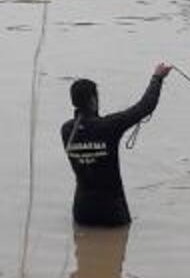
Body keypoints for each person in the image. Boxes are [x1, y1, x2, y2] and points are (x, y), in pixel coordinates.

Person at [62, 63, 170, 226]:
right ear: (93, 100)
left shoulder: (66, 130)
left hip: (82, 212)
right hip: (112, 212)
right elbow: (144, 106)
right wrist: (157, 78)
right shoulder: (108, 126)